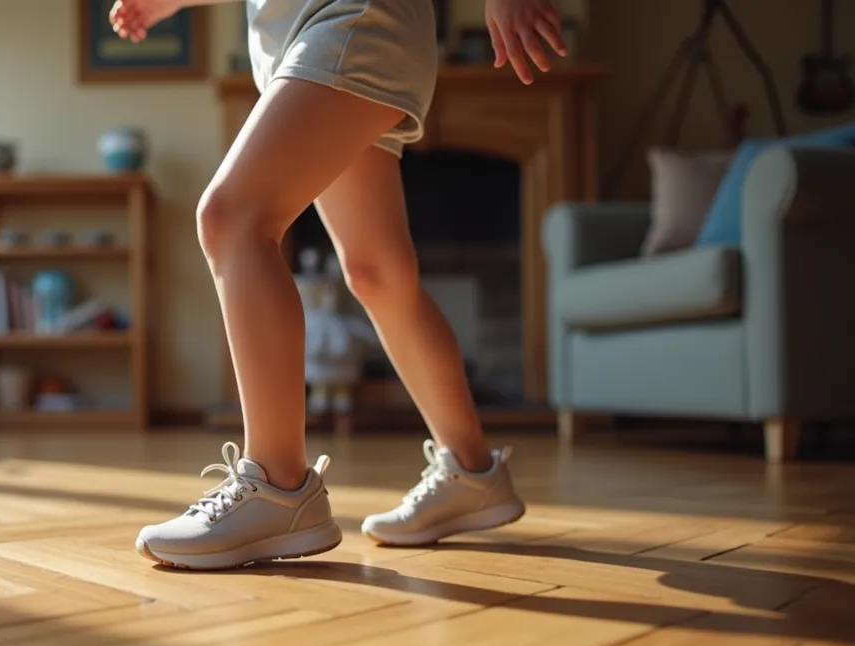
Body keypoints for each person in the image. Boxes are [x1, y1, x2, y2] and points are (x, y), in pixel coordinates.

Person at [116, 0, 567, 570]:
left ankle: (278, 484)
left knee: (232, 220)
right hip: (300, 46)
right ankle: (472, 472)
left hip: (354, 19)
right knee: (378, 273)